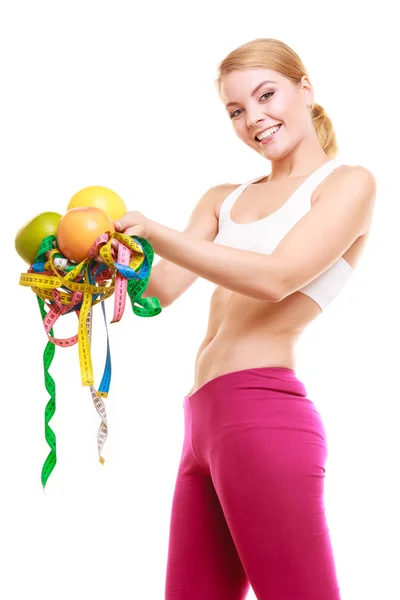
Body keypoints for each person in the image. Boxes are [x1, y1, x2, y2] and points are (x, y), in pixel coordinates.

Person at [115, 38, 376, 600]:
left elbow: (276, 276)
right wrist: (102, 257)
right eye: (236, 110)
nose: (254, 118)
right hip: (200, 425)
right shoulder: (222, 198)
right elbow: (160, 291)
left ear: (305, 89)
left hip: (263, 415)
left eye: (266, 95)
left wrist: (155, 233)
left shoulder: (347, 185)